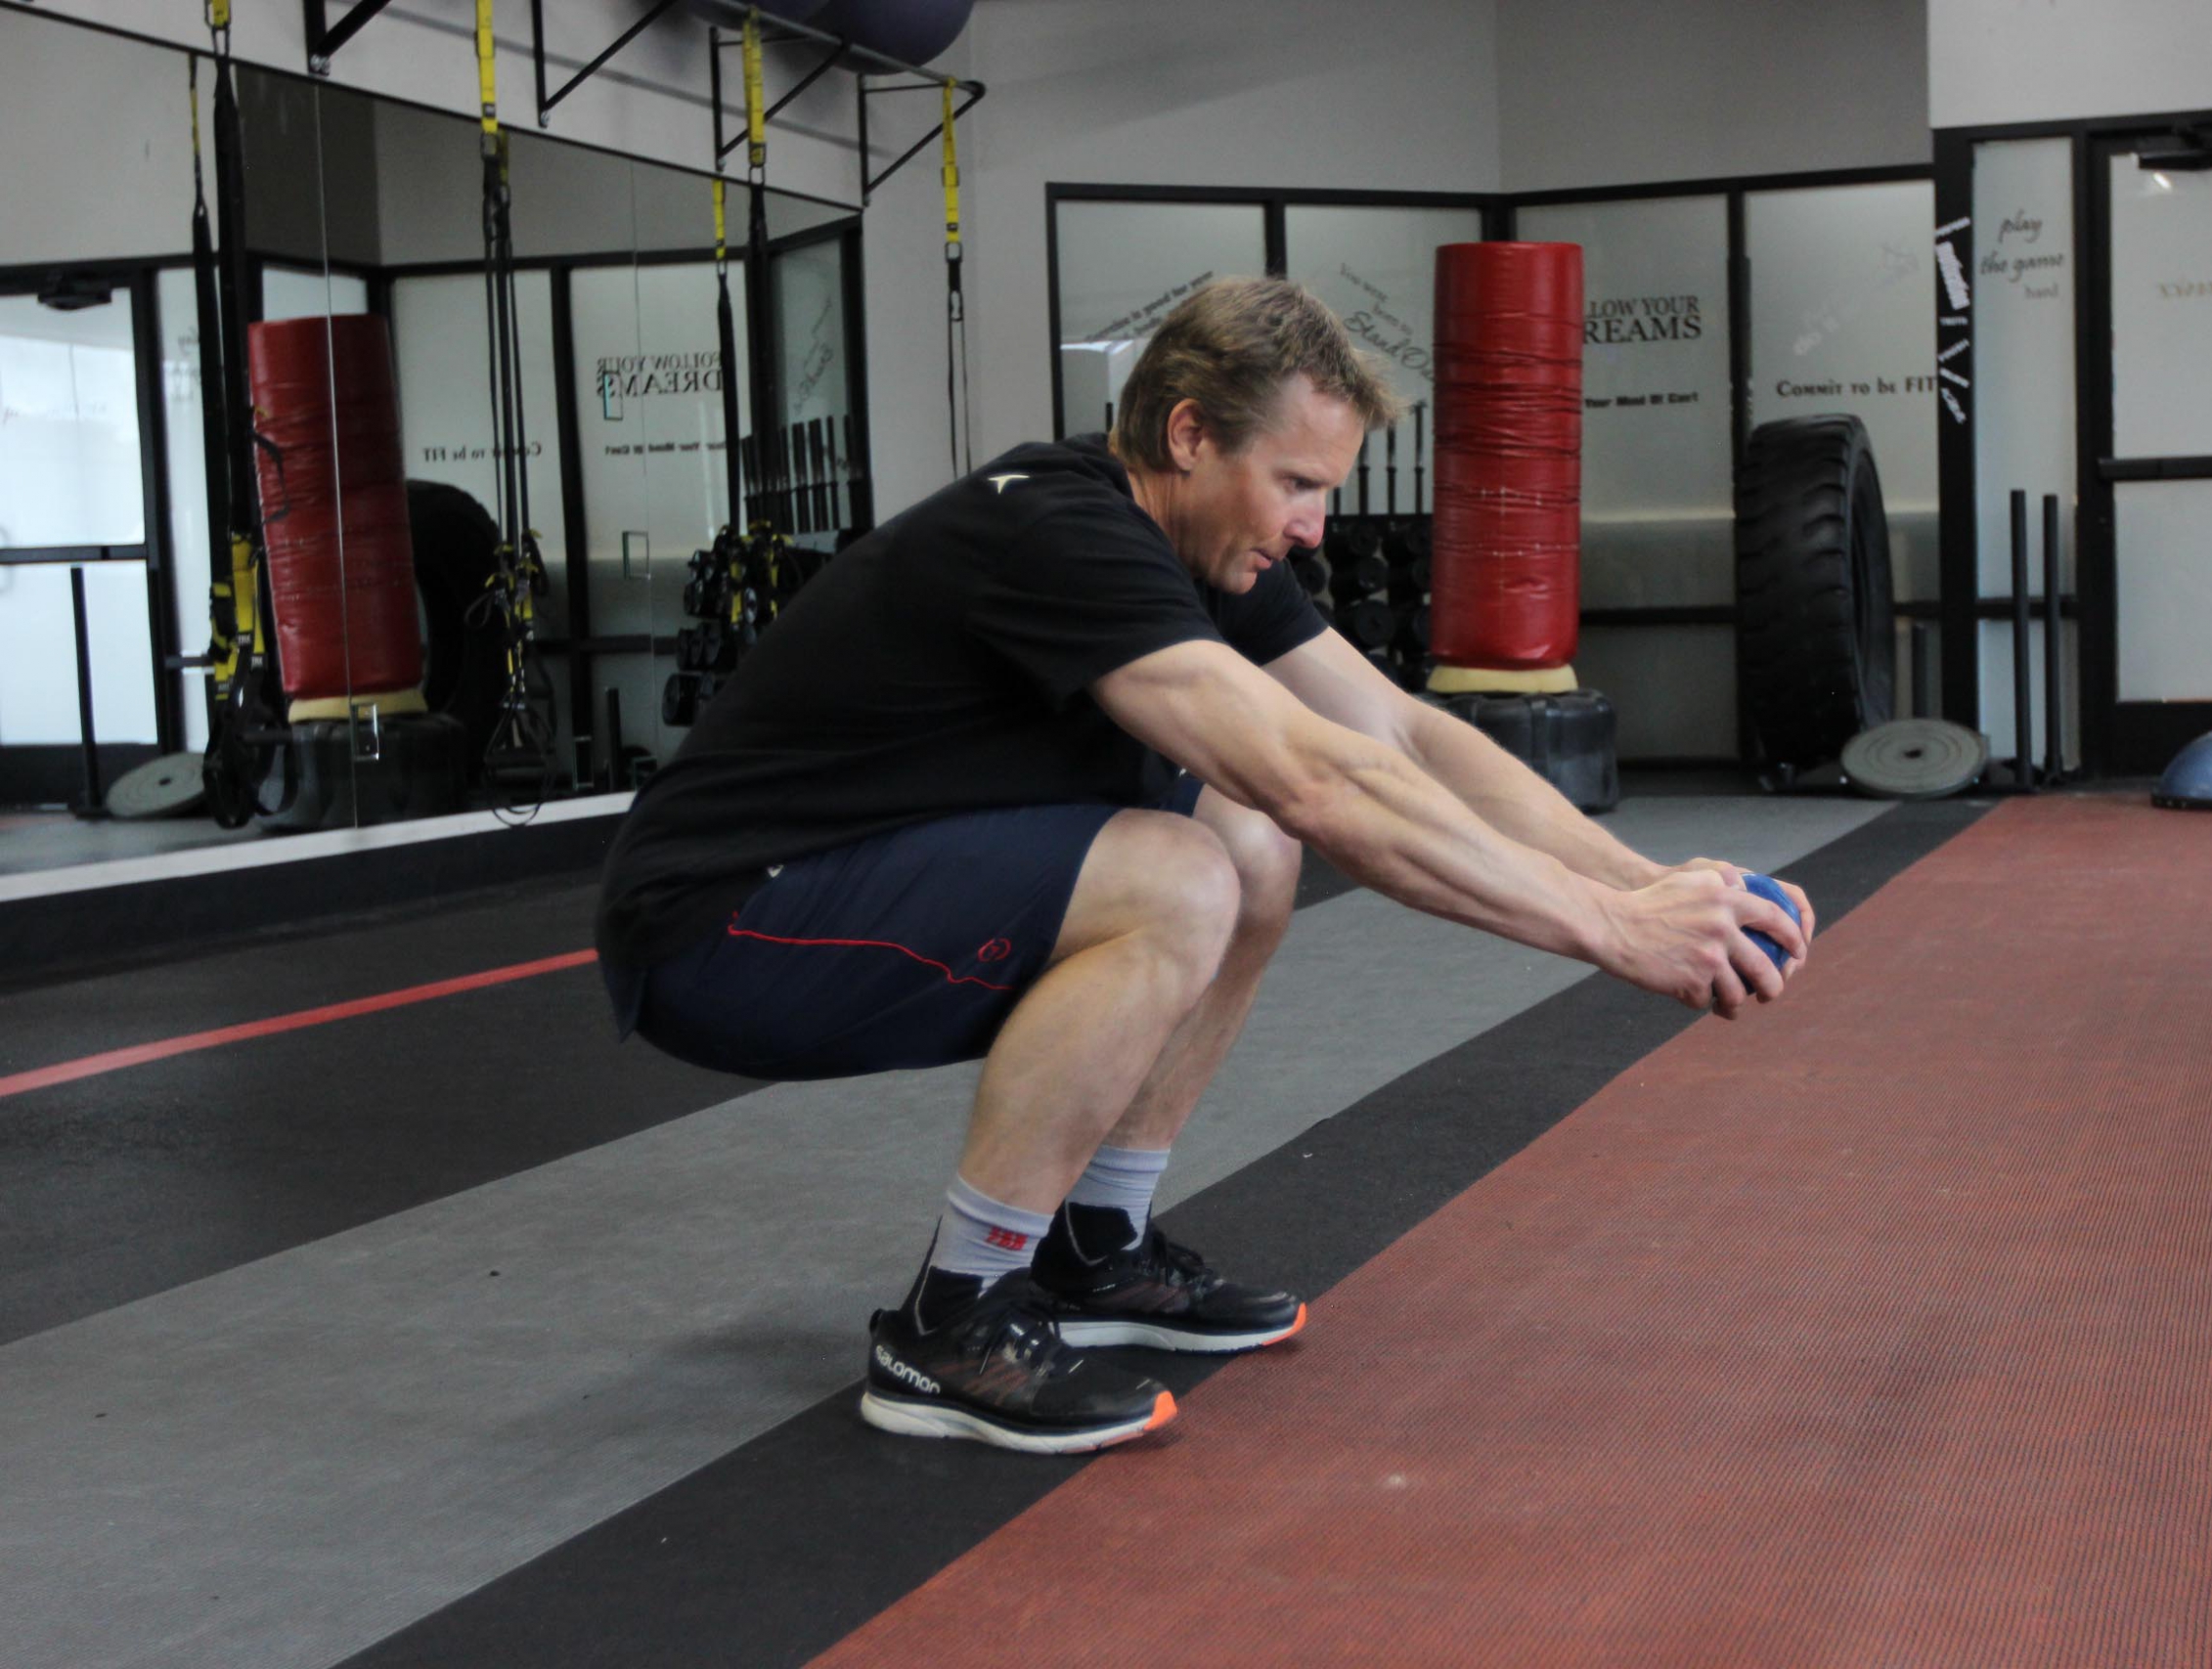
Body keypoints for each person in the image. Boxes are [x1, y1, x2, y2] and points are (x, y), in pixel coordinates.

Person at [595, 275, 1812, 1455]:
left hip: (841, 890)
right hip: (718, 930)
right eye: (1294, 483)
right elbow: (1325, 782)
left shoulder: (1208, 550)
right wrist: (1610, 932)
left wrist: (1643, 881)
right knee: (1181, 871)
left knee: (1244, 839)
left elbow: (1399, 735)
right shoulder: (1059, 532)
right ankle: (951, 1320)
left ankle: (1095, 1249)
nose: (1312, 524)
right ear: (1188, 436)